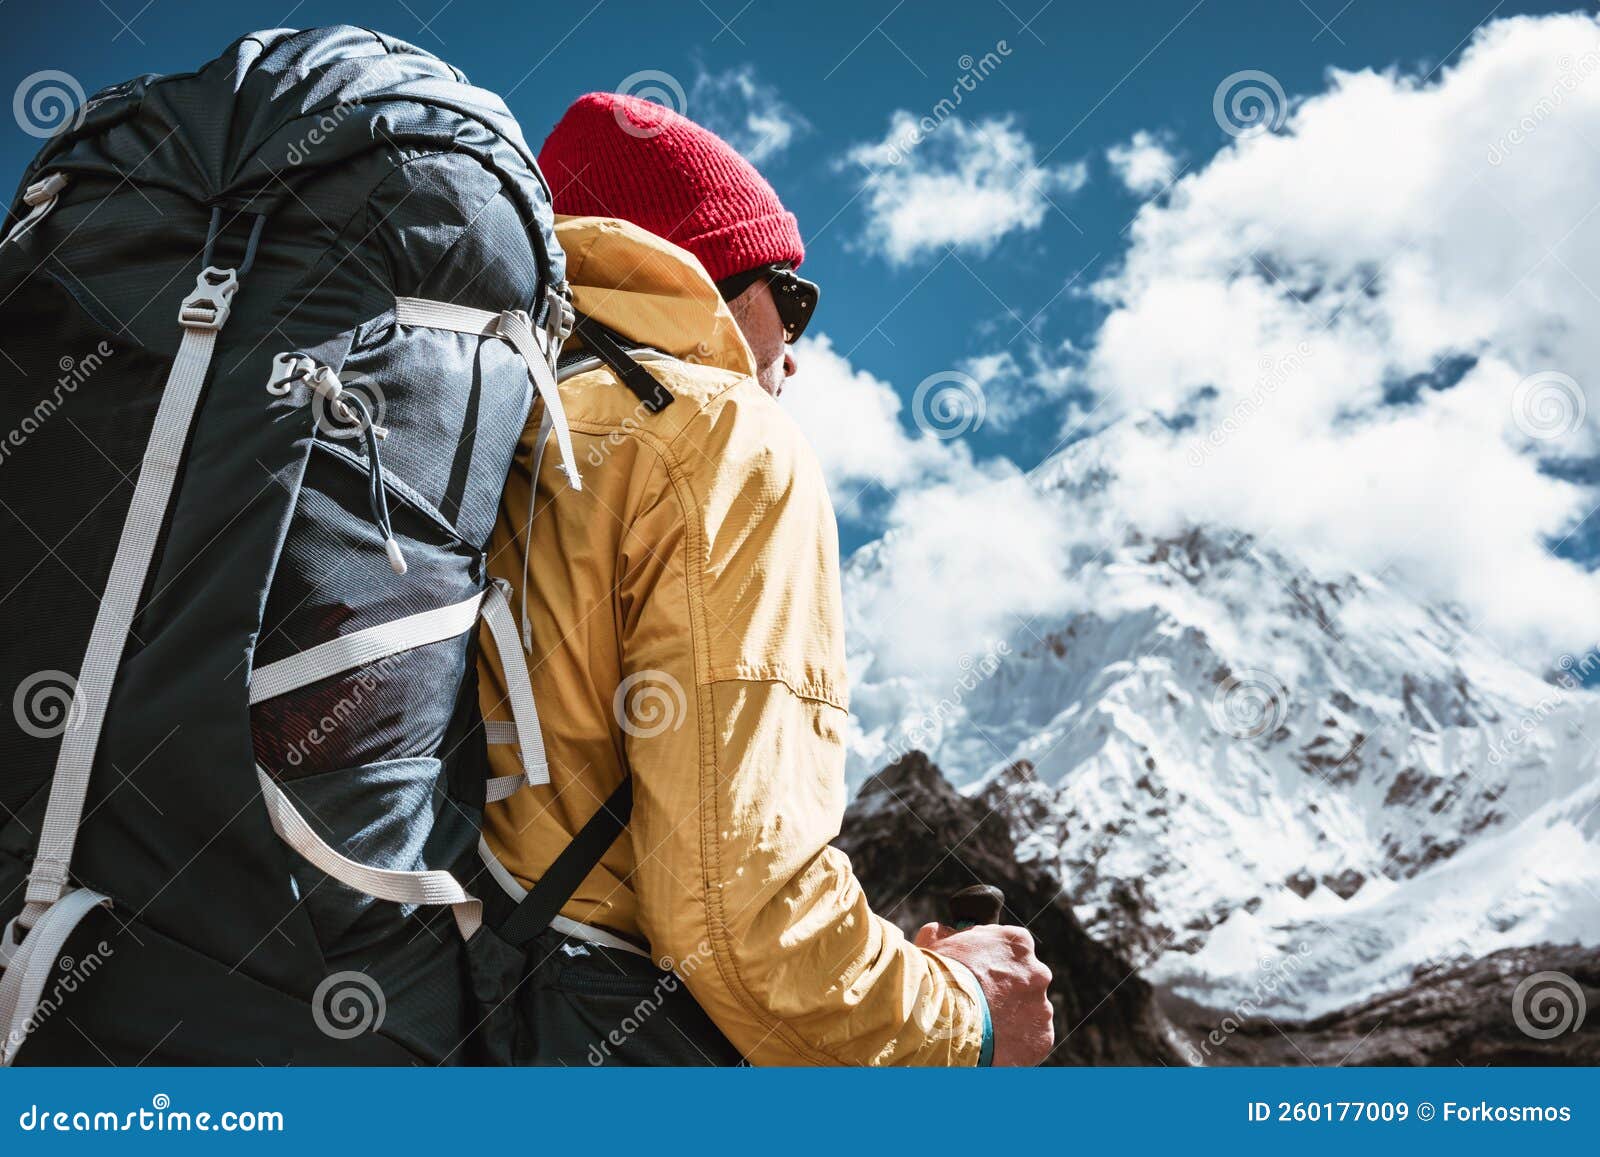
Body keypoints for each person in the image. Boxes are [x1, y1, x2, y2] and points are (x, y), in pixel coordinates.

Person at [474, 91, 1053, 1066]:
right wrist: (972, 1008)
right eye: (794, 297)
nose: (797, 352)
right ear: (708, 276)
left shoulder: (496, 434)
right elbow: (739, 920)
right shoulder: (715, 435)